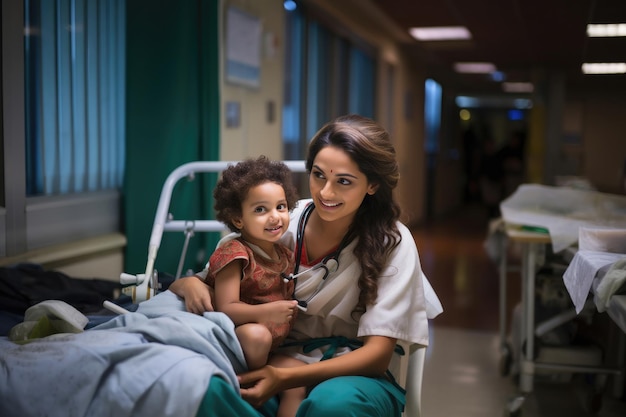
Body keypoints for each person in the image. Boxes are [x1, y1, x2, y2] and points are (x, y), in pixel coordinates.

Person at [170, 114, 443, 417]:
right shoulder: (281, 221)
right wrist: (188, 283)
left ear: (372, 185)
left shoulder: (393, 242)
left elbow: (377, 356)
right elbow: (217, 276)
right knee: (206, 387)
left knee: (332, 406)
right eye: (318, 175)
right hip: (272, 358)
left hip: (351, 373)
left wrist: (285, 379)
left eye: (343, 182)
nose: (326, 192)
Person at [202, 156, 307, 417]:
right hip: (238, 341)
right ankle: (250, 381)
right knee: (257, 335)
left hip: (270, 348)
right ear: (238, 219)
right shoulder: (235, 253)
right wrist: (267, 313)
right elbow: (225, 307)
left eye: (281, 207)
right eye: (261, 210)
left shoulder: (284, 254)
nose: (275, 217)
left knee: (296, 380)